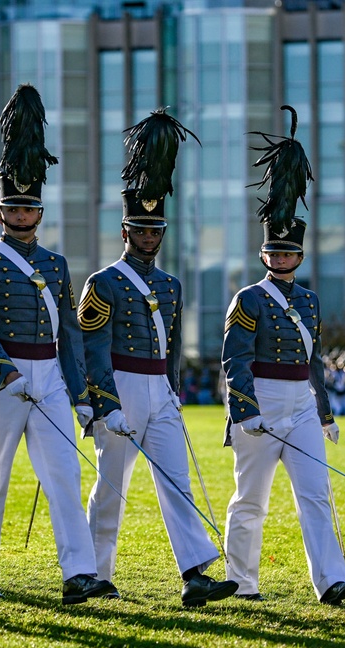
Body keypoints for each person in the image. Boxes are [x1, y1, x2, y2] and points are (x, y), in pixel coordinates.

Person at [0, 84, 115, 605]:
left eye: (30, 208)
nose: (23, 215)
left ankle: (79, 574)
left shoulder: (56, 265)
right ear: (1, 212)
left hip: (48, 375)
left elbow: (69, 334)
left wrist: (82, 392)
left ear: (39, 212)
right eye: (14, 208)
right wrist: (4, 373)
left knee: (64, 476)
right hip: (3, 381)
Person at [78, 109, 238, 607]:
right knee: (111, 486)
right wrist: (104, 403)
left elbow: (170, 346)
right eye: (140, 230)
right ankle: (94, 572)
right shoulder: (102, 282)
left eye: (155, 230)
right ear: (125, 231)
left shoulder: (171, 285)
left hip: (158, 389)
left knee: (177, 481)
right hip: (120, 386)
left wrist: (170, 388)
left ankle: (194, 573)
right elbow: (92, 347)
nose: (149, 238)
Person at [221, 107, 345, 605]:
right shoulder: (249, 298)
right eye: (274, 253)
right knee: (251, 500)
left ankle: (331, 580)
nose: (281, 259)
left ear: (299, 256)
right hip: (259, 400)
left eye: (288, 254)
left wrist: (323, 411)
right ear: (264, 256)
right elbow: (233, 360)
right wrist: (245, 410)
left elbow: (314, 360)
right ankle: (242, 582)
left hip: (300, 400)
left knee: (316, 495)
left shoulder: (309, 300)